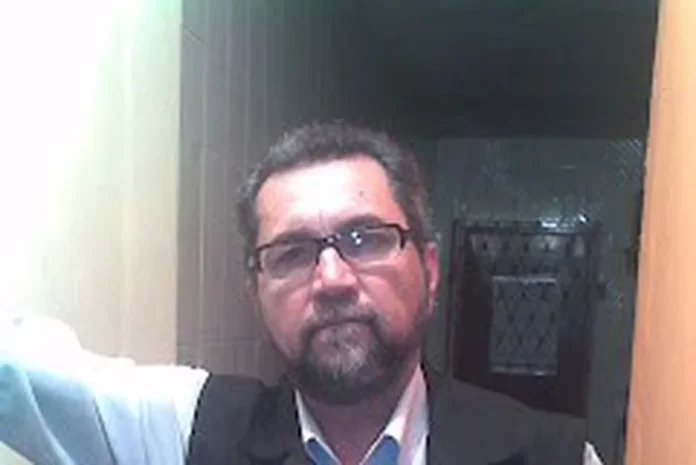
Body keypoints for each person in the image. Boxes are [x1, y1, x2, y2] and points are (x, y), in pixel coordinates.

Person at [0, 123, 603, 465]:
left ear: (429, 268)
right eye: (291, 252)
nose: (332, 278)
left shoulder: (553, 457)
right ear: (256, 290)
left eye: (365, 239)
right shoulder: (189, 433)